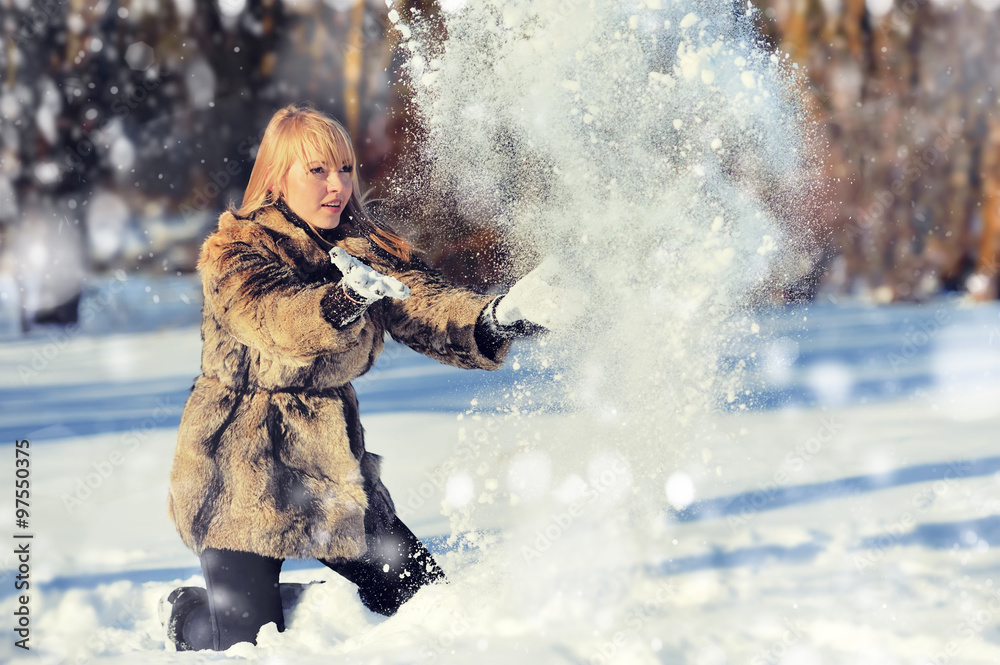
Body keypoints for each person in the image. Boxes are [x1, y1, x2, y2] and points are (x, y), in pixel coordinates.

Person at [161, 104, 584, 651]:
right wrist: (341, 300)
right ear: (276, 177)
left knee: (425, 599)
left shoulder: (367, 249)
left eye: (344, 169)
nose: (336, 185)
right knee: (249, 644)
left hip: (328, 470)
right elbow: (273, 320)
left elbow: (426, 306)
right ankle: (188, 612)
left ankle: (311, 605)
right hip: (237, 474)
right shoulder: (237, 250)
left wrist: (498, 317)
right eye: (316, 171)